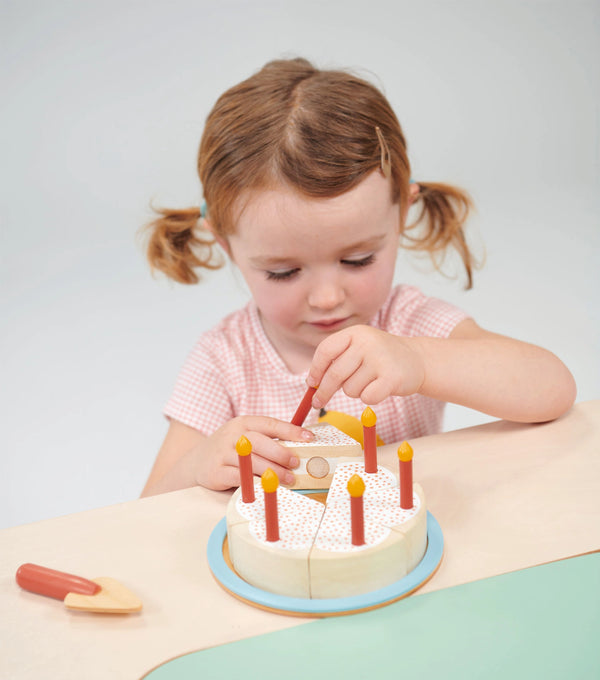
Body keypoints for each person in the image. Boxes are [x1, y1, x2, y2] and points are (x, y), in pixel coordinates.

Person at [140, 58, 576, 497]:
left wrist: (421, 362)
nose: (328, 298)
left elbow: (553, 388)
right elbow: (143, 513)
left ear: (401, 214)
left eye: (359, 259)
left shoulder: (407, 324)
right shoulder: (226, 358)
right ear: (225, 242)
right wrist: (199, 465)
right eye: (283, 272)